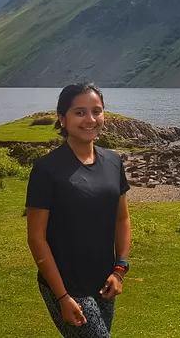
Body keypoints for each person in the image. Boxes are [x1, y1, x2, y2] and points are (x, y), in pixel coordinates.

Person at [25, 83, 132, 337]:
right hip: (66, 287)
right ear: (62, 119)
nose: (90, 119)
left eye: (97, 111)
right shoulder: (46, 169)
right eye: (80, 112)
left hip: (105, 282)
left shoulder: (113, 162)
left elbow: (122, 219)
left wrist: (120, 270)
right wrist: (61, 296)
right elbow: (36, 238)